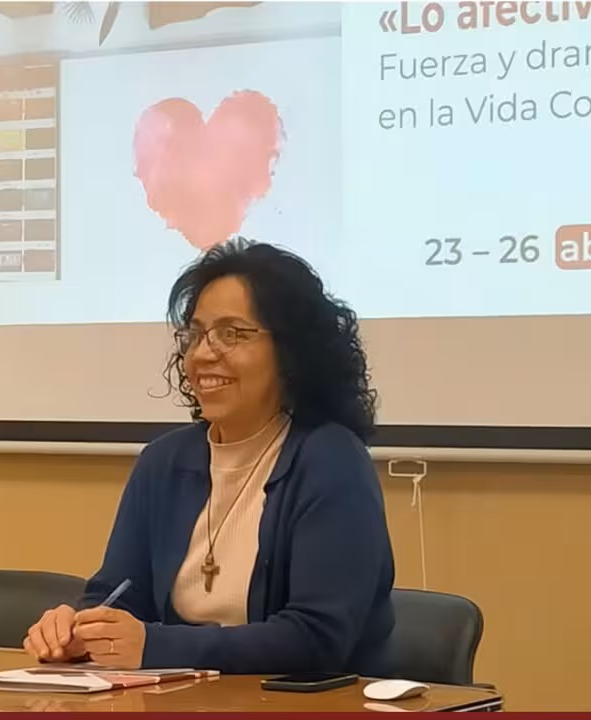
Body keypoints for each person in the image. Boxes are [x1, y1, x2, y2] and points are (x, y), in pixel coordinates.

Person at [24, 238, 395, 675]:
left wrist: (156, 645)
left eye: (231, 334)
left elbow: (317, 638)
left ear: (291, 351)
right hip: (176, 699)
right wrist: (81, 631)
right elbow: (118, 595)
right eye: (196, 334)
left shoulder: (331, 461)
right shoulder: (163, 461)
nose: (202, 354)